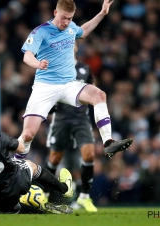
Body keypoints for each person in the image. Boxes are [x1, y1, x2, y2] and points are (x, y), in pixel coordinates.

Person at [14, 0, 133, 162]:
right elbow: (27, 55)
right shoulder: (41, 31)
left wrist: (102, 13)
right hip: (45, 87)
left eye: (70, 19)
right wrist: (37, 64)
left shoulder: (70, 28)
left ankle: (108, 142)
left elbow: (83, 31)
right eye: (63, 18)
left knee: (99, 95)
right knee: (27, 134)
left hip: (68, 85)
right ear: (55, 12)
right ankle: (16, 162)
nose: (66, 22)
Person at [45, 42, 98, 212]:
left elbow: (92, 91)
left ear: (75, 48)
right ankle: (44, 194)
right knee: (54, 158)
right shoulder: (55, 69)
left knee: (89, 154)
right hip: (61, 119)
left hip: (81, 119)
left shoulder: (84, 69)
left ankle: (84, 197)